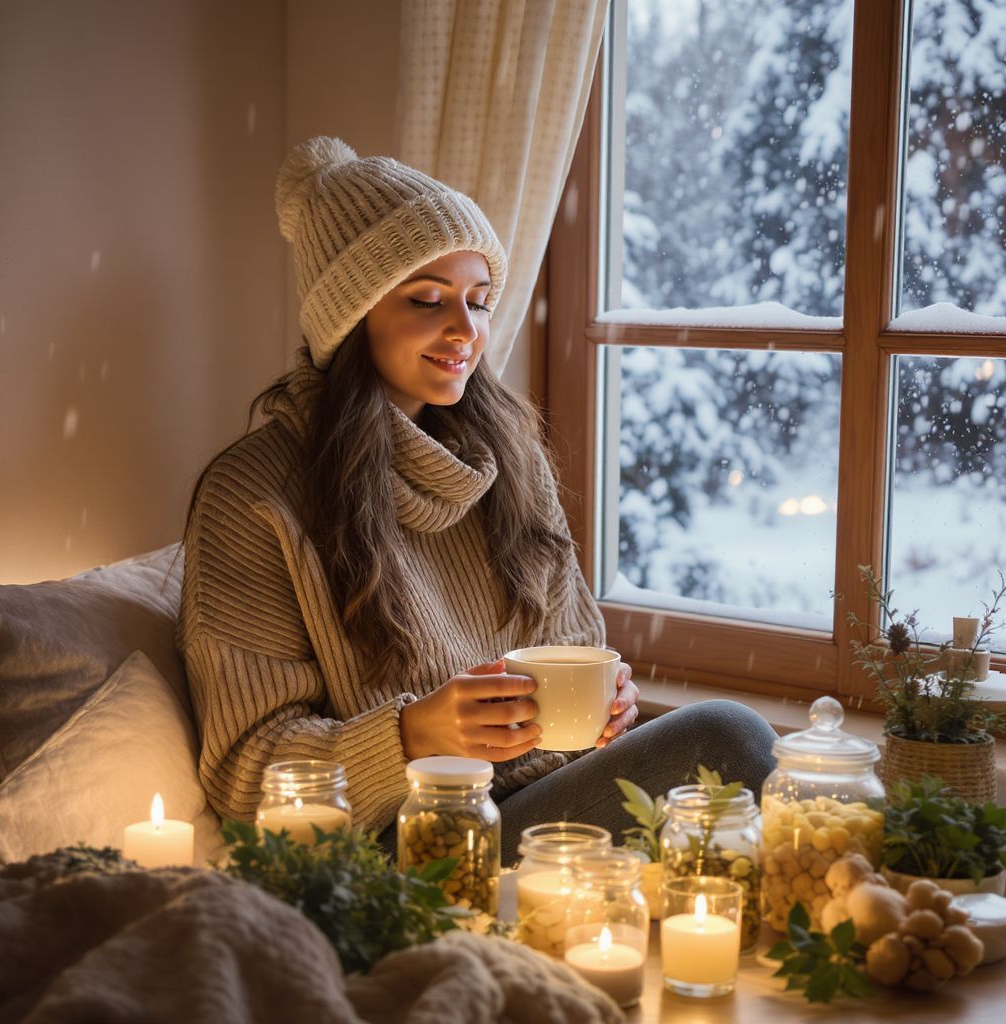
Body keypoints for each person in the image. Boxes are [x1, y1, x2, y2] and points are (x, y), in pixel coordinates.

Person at [178, 137, 776, 862]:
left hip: (543, 794)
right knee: (730, 738)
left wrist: (608, 704)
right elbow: (248, 780)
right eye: (429, 301)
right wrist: (413, 736)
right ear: (350, 316)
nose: (466, 331)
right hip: (410, 841)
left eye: (479, 301)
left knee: (757, 778)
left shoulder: (510, 459)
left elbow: (575, 647)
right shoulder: (254, 496)